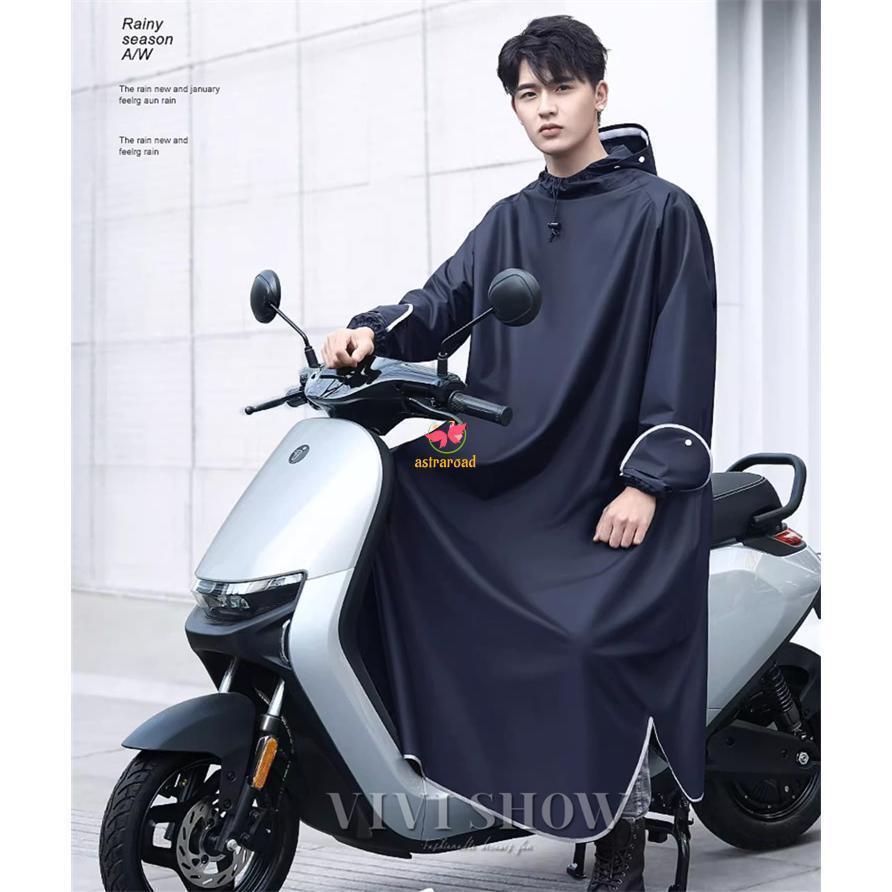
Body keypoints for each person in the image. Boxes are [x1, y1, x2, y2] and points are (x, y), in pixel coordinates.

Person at [322, 15, 716, 892]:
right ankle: (433, 758)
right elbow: (439, 304)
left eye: (562, 88)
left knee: (583, 642)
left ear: (600, 94)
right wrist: (368, 333)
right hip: (513, 462)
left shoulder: (663, 214)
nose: (545, 108)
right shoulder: (507, 221)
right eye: (527, 94)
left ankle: (619, 828)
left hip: (607, 475)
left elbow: (682, 358)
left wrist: (647, 483)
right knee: (396, 497)